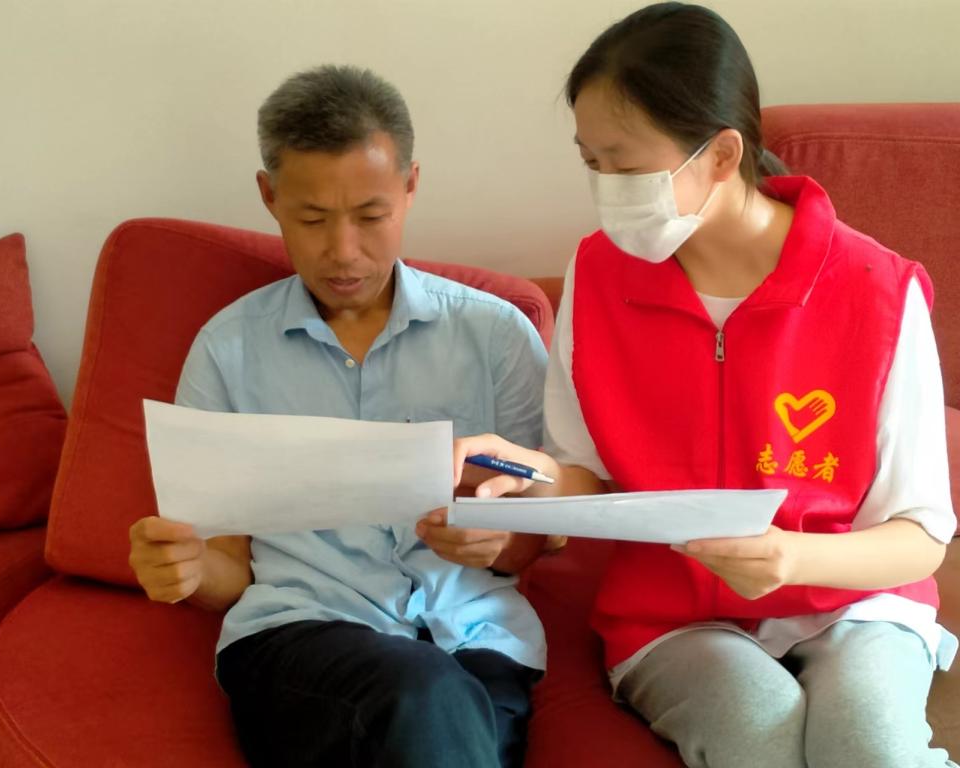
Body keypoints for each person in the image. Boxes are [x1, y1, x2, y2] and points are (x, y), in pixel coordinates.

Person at [453, 4, 957, 767]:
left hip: (853, 601)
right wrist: (527, 475)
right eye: (592, 163)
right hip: (672, 618)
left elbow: (919, 540)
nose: (606, 189)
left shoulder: (878, 289)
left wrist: (791, 558)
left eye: (626, 167)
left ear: (722, 154)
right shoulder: (599, 274)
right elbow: (587, 480)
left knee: (869, 750)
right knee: (760, 738)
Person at [128, 65, 549, 768]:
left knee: (439, 707)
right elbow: (227, 566)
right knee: (424, 697)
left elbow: (534, 540)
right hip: (301, 639)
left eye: (371, 217)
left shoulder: (498, 335)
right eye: (313, 219)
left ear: (411, 186)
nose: (343, 251)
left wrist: (498, 542)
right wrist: (190, 568)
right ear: (269, 196)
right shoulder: (228, 349)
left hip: (475, 641)